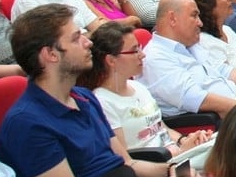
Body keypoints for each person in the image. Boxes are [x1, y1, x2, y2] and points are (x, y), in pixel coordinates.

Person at [0, 4, 176, 177]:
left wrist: (171, 171)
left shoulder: (84, 97)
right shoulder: (27, 123)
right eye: (76, 38)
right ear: (50, 55)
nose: (88, 42)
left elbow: (127, 162)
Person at [79, 22, 210, 156]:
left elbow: (160, 128)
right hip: (158, 163)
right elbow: (126, 158)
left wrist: (187, 140)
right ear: (111, 60)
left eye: (140, 48)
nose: (142, 55)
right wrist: (181, 151)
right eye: (134, 50)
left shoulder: (138, 87)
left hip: (176, 153)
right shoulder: (102, 102)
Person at [138, 0, 236, 118]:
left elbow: (224, 70)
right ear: (173, 18)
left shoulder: (190, 45)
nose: (200, 23)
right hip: (220, 117)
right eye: (194, 16)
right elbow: (196, 99)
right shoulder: (156, 57)